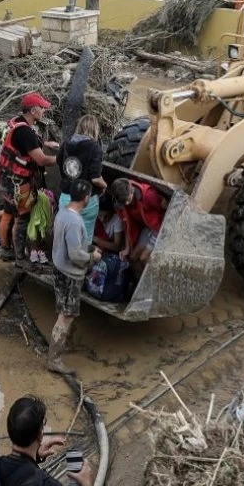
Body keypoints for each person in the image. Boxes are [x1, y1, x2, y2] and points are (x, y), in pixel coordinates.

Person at [0, 92, 60, 262]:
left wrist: (44, 144)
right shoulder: (25, 132)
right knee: (21, 220)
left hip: (5, 178)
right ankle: (20, 259)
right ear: (33, 110)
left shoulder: (15, 123)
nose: (44, 111)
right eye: (42, 108)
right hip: (17, 183)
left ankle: (5, 249)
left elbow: (24, 145)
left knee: (8, 213)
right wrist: (61, 158)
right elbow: (42, 160)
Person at [50, 180, 101, 375]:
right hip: (70, 275)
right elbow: (75, 255)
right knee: (66, 316)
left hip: (59, 268)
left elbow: (70, 244)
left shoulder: (62, 213)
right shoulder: (75, 222)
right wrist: (92, 257)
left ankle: (63, 346)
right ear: (86, 198)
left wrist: (89, 247)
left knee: (65, 312)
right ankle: (54, 360)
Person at [57, 115, 107, 244]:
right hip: (86, 200)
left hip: (66, 197)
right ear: (95, 129)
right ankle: (81, 256)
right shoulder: (94, 147)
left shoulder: (66, 144)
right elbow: (96, 178)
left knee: (64, 237)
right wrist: (104, 186)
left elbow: (58, 161)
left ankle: (62, 257)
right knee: (85, 237)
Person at [110, 178, 168, 278]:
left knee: (143, 258)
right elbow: (127, 225)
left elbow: (163, 208)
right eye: (123, 202)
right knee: (132, 257)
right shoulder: (121, 205)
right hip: (147, 228)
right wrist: (127, 248)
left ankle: (159, 279)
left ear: (132, 191)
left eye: (128, 200)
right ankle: (142, 280)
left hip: (158, 227)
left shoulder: (148, 195)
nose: (126, 203)